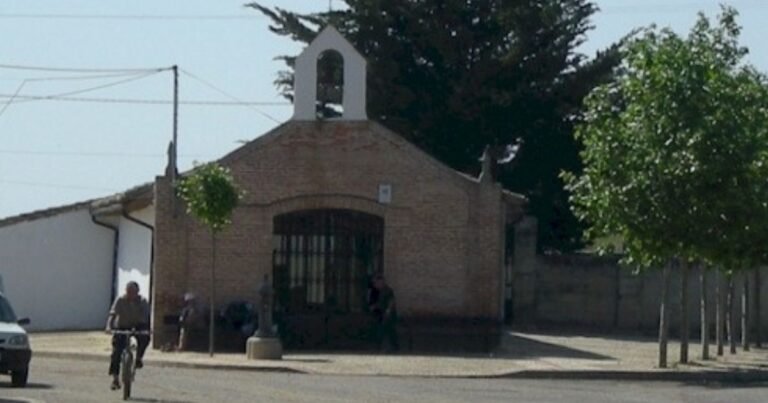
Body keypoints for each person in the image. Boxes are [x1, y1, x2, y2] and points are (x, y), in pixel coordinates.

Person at [105, 281, 151, 391]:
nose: (130, 294)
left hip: (137, 325)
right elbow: (112, 314)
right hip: (122, 326)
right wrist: (108, 326)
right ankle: (115, 379)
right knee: (116, 352)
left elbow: (146, 317)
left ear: (137, 292)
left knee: (145, 337)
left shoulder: (143, 301)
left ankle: (139, 358)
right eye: (128, 291)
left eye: (133, 292)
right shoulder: (120, 300)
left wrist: (146, 329)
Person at [368, 274, 399, 353]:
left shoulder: (388, 290)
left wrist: (388, 311)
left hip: (387, 315)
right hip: (378, 315)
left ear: (381, 282)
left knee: (387, 329)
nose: (376, 285)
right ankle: (379, 346)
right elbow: (372, 303)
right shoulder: (374, 291)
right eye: (374, 283)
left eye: (377, 283)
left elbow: (391, 302)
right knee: (379, 329)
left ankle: (391, 347)